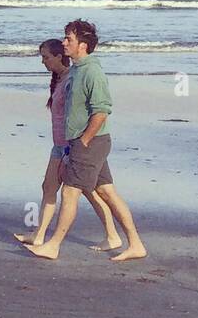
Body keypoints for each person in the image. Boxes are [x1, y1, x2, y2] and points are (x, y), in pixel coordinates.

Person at [28, 19, 147, 261]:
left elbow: (102, 110)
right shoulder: (77, 70)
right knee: (107, 194)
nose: (64, 43)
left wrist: (82, 141)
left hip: (90, 143)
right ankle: (135, 244)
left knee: (70, 194)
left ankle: (53, 245)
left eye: (68, 39)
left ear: (82, 45)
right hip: (84, 143)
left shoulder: (92, 72)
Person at [13, 37, 121, 251]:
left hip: (73, 145)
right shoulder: (60, 78)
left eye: (45, 57)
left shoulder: (74, 78)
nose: (43, 61)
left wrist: (77, 146)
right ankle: (39, 235)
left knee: (92, 191)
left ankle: (112, 235)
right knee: (49, 186)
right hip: (59, 145)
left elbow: (91, 113)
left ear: (58, 57)